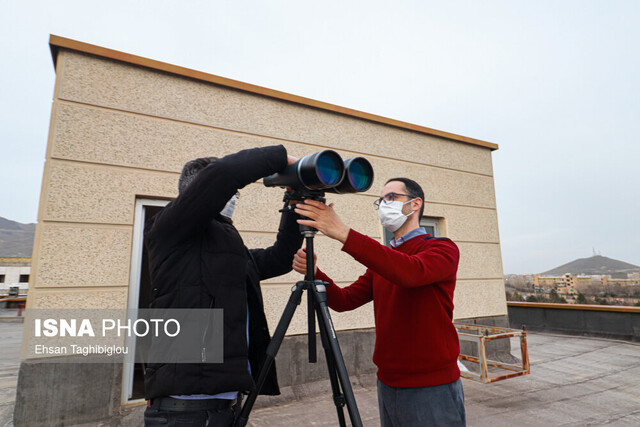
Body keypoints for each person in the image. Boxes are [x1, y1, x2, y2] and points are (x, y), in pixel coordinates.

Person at [143, 145, 303, 427]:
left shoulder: (229, 252)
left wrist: (293, 199)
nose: (233, 197)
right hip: (183, 412)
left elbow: (281, 257)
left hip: (226, 407)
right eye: (230, 191)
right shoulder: (169, 229)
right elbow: (222, 175)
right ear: (196, 192)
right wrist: (281, 160)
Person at [292, 177, 466, 426]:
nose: (385, 204)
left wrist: (344, 233)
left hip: (432, 385)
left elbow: (411, 273)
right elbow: (345, 300)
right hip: (388, 382)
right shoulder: (385, 262)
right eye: (381, 200)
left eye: (392, 197)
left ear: (415, 204)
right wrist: (315, 273)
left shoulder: (442, 248)